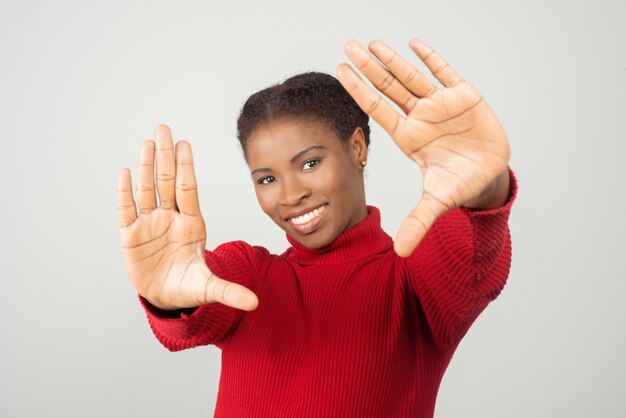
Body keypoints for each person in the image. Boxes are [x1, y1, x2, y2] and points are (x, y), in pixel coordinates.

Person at [117, 38, 518, 418]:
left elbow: (472, 247)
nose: (290, 195)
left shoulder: (413, 281)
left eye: (309, 163)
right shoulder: (252, 278)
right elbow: (200, 298)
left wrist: (484, 182)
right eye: (267, 179)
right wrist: (170, 299)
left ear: (357, 149)